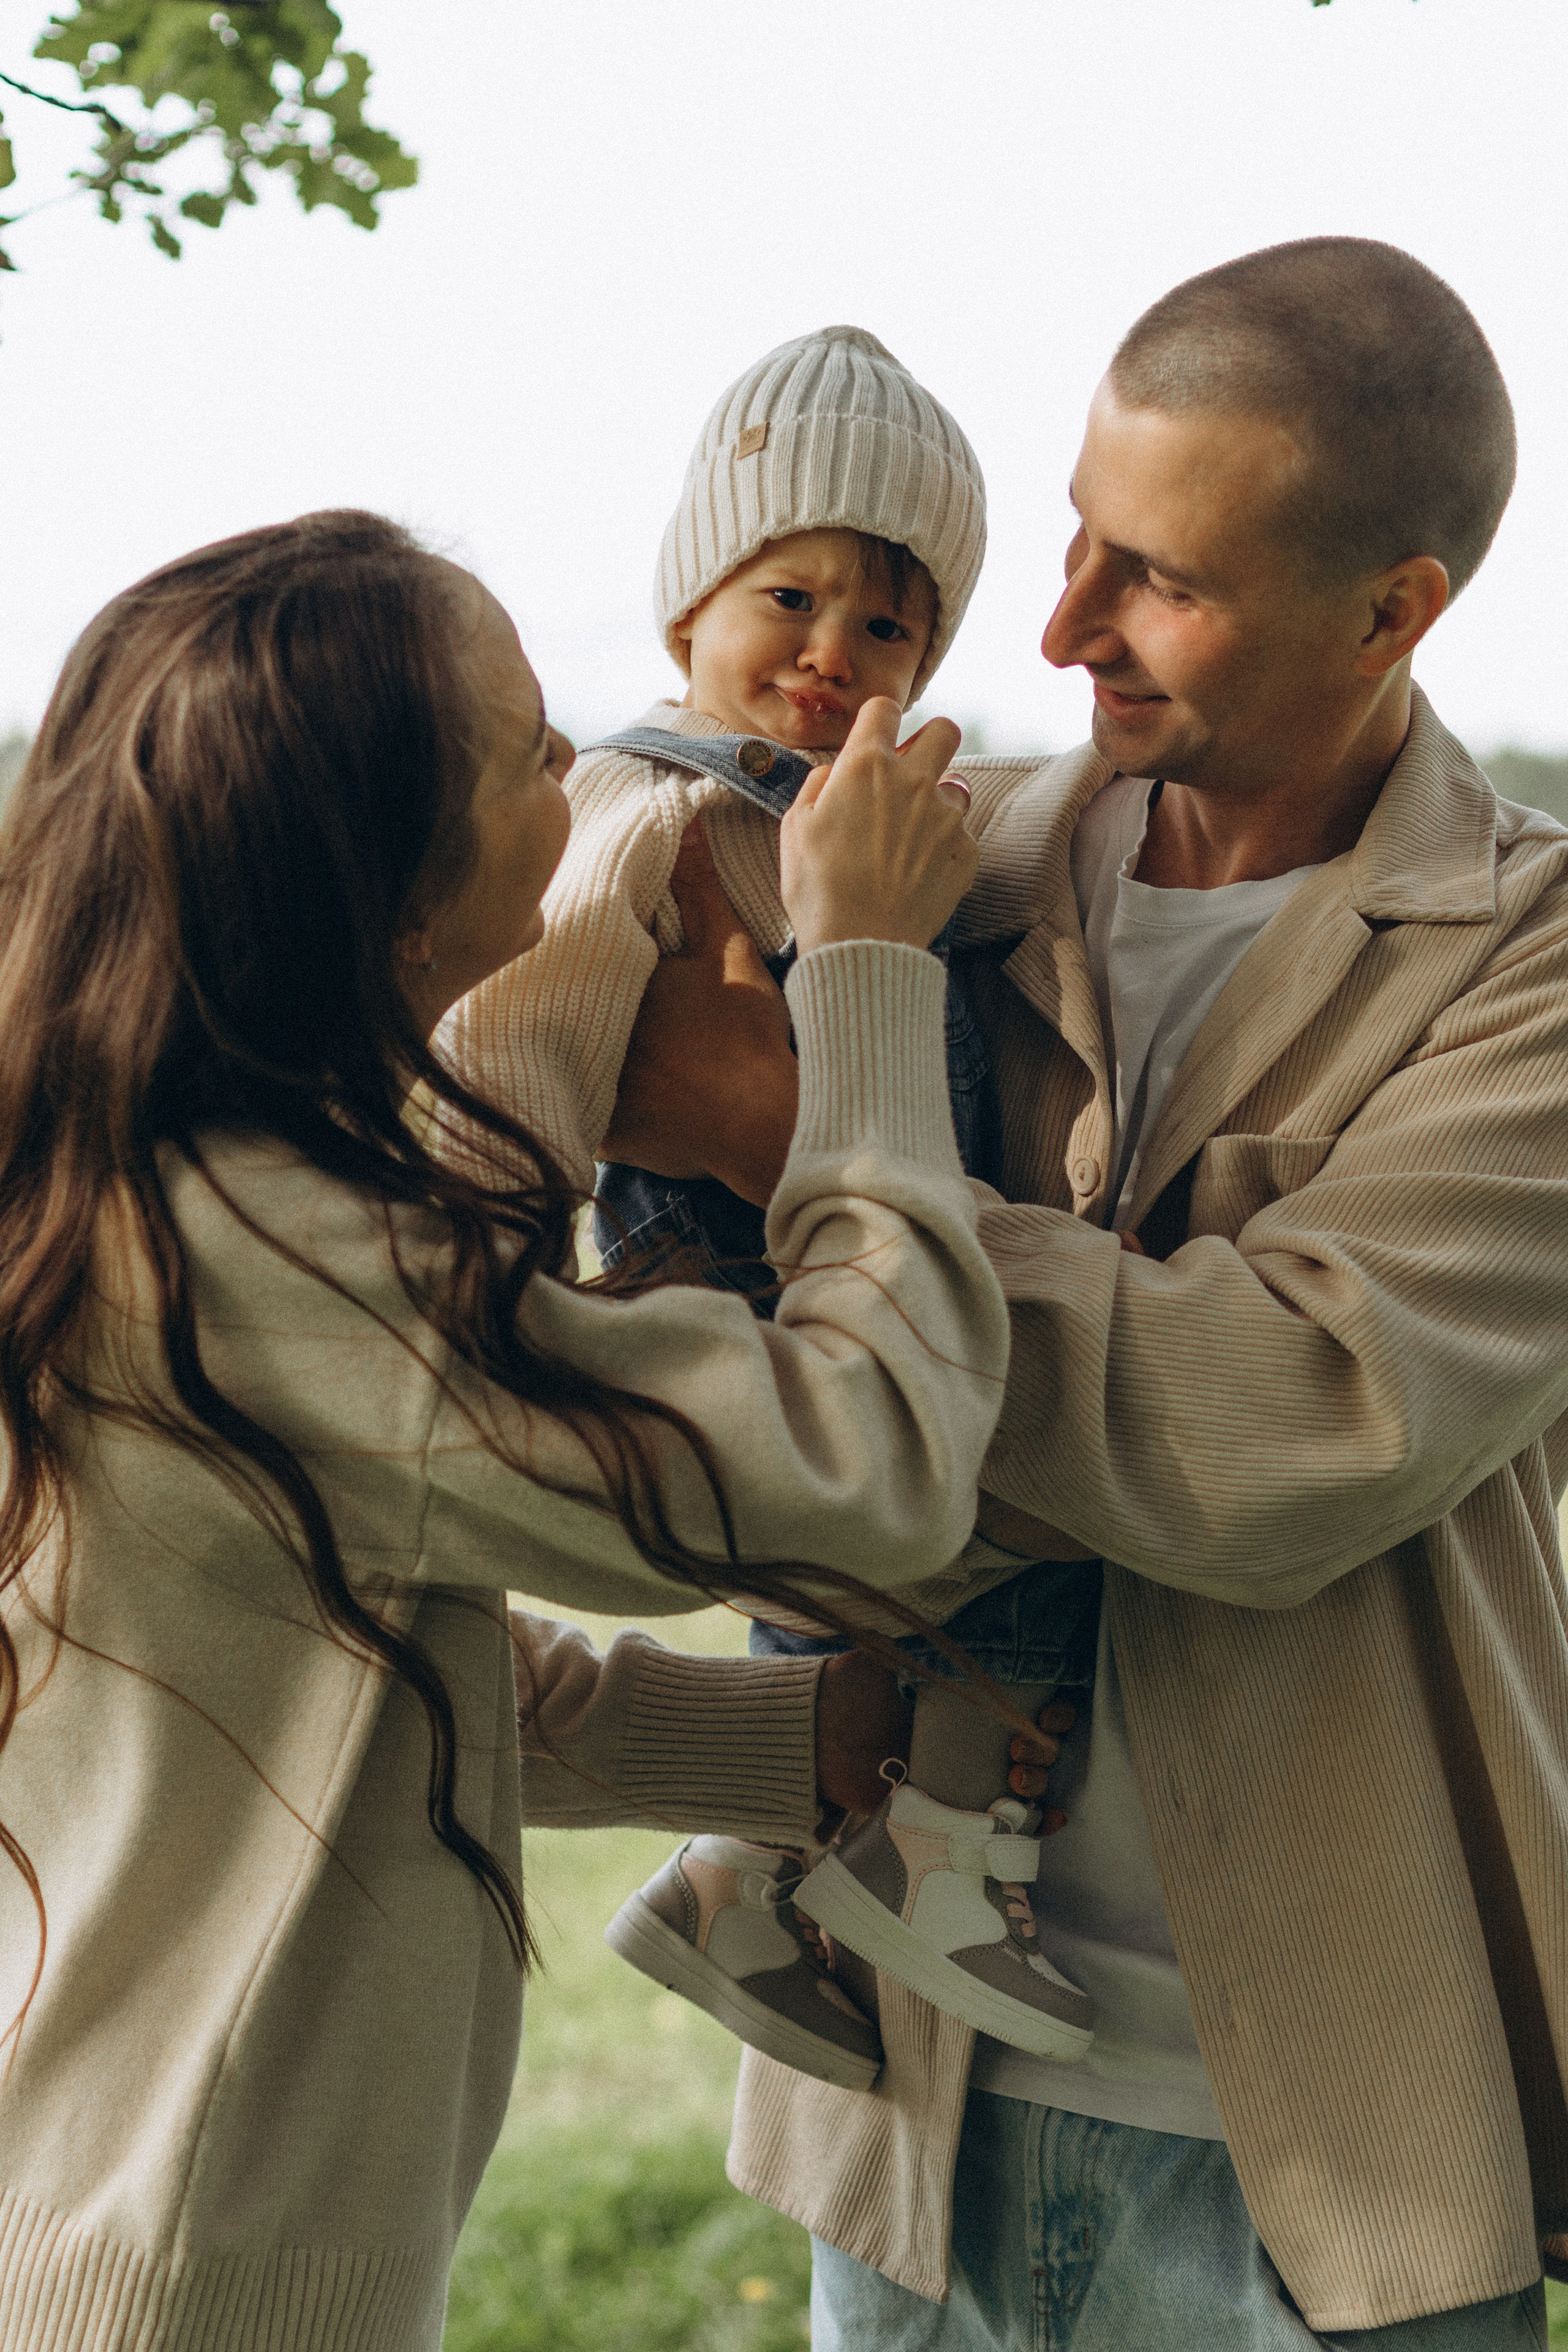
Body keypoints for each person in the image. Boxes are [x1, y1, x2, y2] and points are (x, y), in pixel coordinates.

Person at [600, 238, 1568, 2349]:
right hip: (893, 2108)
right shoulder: (927, 871)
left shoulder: (1532, 967)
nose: (1055, 630)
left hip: (1332, 2167)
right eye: (1074, 539)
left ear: (1395, 610)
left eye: (1163, 581)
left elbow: (1291, 1435)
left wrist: (800, 1133)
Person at [0, 509, 1028, 2352]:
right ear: (393, 893)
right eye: (523, 749)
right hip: (186, 2291)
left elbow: (322, 1661)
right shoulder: (285, 1269)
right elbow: (873, 1463)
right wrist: (866, 973)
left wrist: (792, 1737)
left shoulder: (112, 1190)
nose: (585, 759)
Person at [445, 323, 1094, 2088]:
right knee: (987, 1535)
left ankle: (756, 1875)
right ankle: (940, 1854)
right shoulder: (648, 800)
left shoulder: (869, 808)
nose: (829, 654)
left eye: (886, 628)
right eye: (789, 600)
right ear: (689, 612)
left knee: (898, 1545)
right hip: (713, 1254)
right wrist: (489, 1236)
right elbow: (530, 1023)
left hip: (800, 1236)